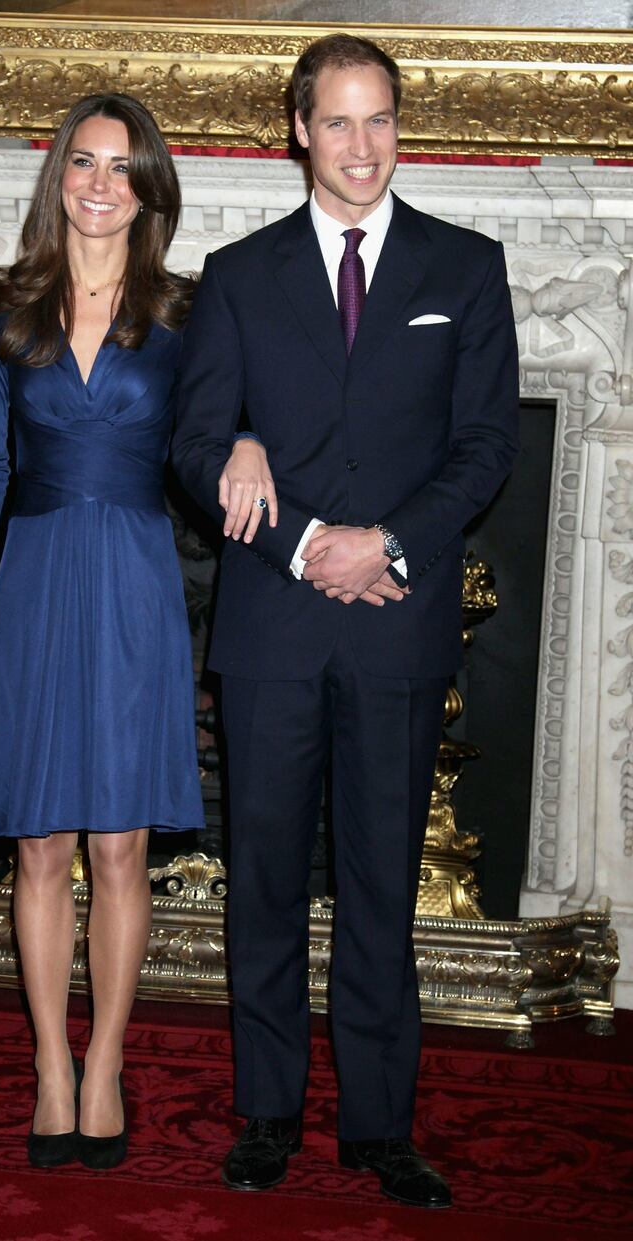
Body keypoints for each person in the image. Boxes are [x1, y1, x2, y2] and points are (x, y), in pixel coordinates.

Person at [172, 34, 519, 1207]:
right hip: (271, 623)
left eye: (379, 121)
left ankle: (378, 1124)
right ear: (297, 131)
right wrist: (309, 540)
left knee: (380, 880)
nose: (361, 146)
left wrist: (389, 544)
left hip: (398, 622)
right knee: (263, 874)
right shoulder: (236, 274)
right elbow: (194, 441)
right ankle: (266, 1111)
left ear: (396, 129)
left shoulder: (465, 268)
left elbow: (483, 447)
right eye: (338, 122)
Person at [0, 93, 216, 1171]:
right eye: (84, 163)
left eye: (123, 167)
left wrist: (245, 453)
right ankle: (50, 1065)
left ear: (149, 189)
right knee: (41, 842)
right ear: (59, 177)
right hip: (38, 577)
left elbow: (218, 436)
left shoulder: (190, 315)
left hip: (140, 578)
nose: (101, 185)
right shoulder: (1, 307)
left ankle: (105, 1061)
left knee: (120, 844)